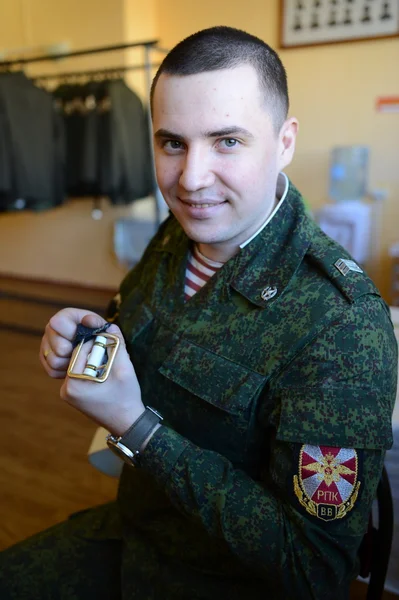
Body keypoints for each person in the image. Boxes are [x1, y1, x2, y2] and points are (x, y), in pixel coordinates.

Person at [0, 26, 397, 600]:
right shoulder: (176, 237)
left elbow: (314, 569)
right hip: (133, 535)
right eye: (172, 143)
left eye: (228, 141)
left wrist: (137, 428)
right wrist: (90, 336)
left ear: (284, 142)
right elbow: (139, 327)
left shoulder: (339, 323)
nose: (190, 180)